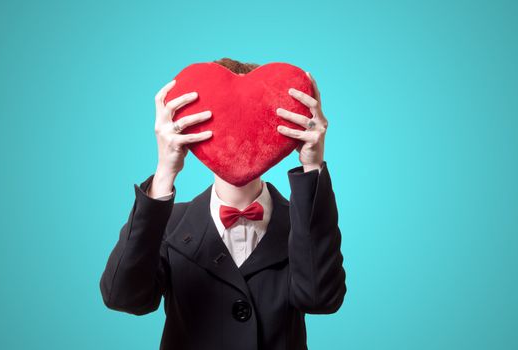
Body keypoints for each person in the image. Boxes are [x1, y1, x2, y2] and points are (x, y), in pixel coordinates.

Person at [99, 57, 347, 350]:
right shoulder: (169, 224)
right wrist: (165, 170)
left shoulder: (302, 223)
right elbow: (123, 297)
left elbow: (321, 299)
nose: (237, 132)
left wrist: (312, 166)